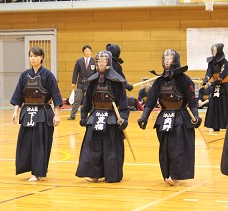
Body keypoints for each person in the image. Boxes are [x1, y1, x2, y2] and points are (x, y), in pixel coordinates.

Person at [137, 49, 202, 186]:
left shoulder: (185, 80)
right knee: (165, 147)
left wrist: (196, 116)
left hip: (181, 117)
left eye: (169, 59)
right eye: (165, 59)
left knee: (178, 147)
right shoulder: (159, 82)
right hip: (164, 117)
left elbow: (192, 100)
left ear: (175, 61)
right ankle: (167, 173)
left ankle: (176, 174)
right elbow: (150, 101)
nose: (166, 62)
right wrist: (144, 117)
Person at [76, 50, 129, 183]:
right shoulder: (92, 81)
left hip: (111, 119)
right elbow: (87, 100)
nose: (100, 64)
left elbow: (123, 104)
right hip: (95, 117)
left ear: (109, 63)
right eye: (98, 61)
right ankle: (94, 174)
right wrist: (83, 115)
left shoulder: (117, 82)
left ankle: (112, 175)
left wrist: (124, 118)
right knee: (92, 148)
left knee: (111, 150)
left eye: (103, 61)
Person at [10, 46, 62, 182]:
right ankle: (28, 168)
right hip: (28, 113)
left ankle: (38, 172)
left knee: (40, 143)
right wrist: (16, 112)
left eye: (35, 56)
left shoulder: (48, 75)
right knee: (26, 142)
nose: (33, 58)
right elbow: (18, 96)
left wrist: (57, 115)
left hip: (43, 114)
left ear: (42, 57)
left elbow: (56, 97)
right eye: (31, 56)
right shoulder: (24, 75)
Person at [203, 43, 228, 131]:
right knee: (214, 105)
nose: (213, 52)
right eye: (212, 50)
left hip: (224, 87)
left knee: (224, 104)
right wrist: (206, 79)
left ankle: (225, 124)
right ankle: (215, 125)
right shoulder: (211, 62)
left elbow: (222, 75)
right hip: (215, 86)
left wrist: (214, 82)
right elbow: (209, 72)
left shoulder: (225, 62)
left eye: (215, 50)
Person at [67, 45, 96, 120]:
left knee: (92, 100)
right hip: (81, 83)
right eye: (86, 51)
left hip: (91, 84)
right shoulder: (79, 61)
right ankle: (72, 115)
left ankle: (93, 115)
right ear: (83, 52)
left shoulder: (94, 61)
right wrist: (73, 82)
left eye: (88, 51)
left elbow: (96, 73)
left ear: (91, 52)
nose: (87, 52)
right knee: (77, 100)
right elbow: (75, 72)